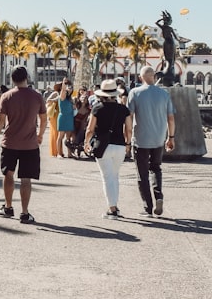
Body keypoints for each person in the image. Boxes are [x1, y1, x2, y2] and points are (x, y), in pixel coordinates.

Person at [0, 66, 47, 224]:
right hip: (30, 144)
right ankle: (25, 212)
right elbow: (44, 119)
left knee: (8, 175)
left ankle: (8, 207)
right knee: (26, 179)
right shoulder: (37, 96)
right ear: (26, 78)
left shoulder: (6, 96)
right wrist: (40, 135)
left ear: (12, 79)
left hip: (10, 143)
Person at [125, 68, 176, 216]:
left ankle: (148, 207)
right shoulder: (164, 94)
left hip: (140, 139)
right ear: (154, 77)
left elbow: (129, 117)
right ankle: (158, 195)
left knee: (142, 173)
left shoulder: (135, 93)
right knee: (156, 168)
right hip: (159, 138)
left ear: (141, 77)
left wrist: (128, 138)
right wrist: (171, 137)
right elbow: (171, 118)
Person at [84, 79, 133, 219]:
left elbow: (90, 129)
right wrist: (128, 143)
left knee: (107, 177)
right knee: (115, 176)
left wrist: (86, 143)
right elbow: (129, 129)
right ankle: (115, 206)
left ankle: (112, 209)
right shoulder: (123, 109)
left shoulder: (97, 108)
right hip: (120, 146)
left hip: (103, 146)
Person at [56, 89, 76, 158]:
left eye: (70, 90)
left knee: (68, 137)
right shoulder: (61, 97)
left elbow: (74, 108)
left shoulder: (71, 99)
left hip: (70, 118)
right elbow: (63, 91)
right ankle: (59, 153)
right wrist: (64, 84)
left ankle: (69, 153)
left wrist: (74, 106)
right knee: (60, 137)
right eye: (68, 90)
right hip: (63, 117)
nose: (69, 91)